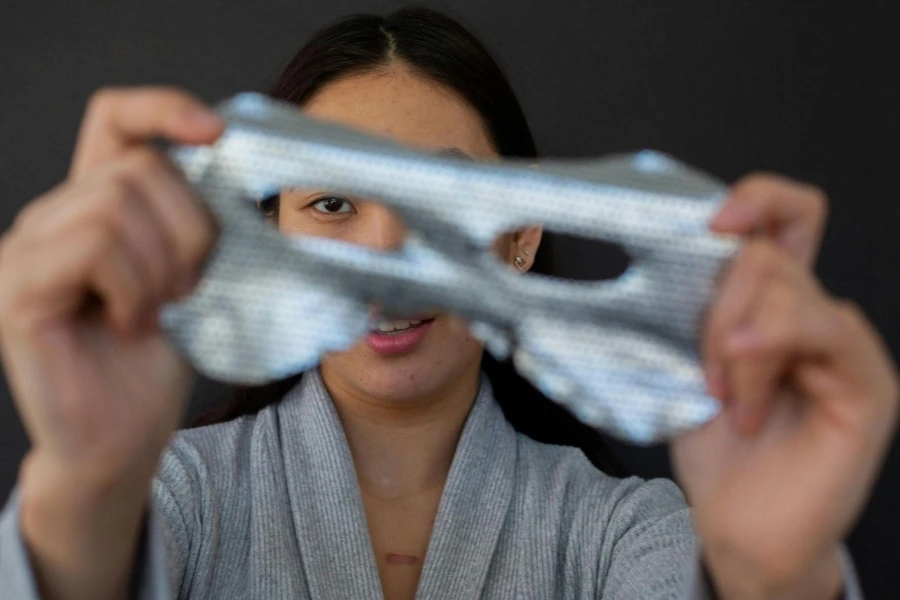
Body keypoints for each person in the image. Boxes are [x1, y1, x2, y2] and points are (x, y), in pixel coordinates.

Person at [0, 6, 896, 600]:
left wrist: (770, 573)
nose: (387, 259)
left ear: (521, 232)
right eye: (332, 204)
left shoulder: (625, 534)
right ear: (264, 229)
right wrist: (87, 491)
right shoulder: (170, 498)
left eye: (442, 202)